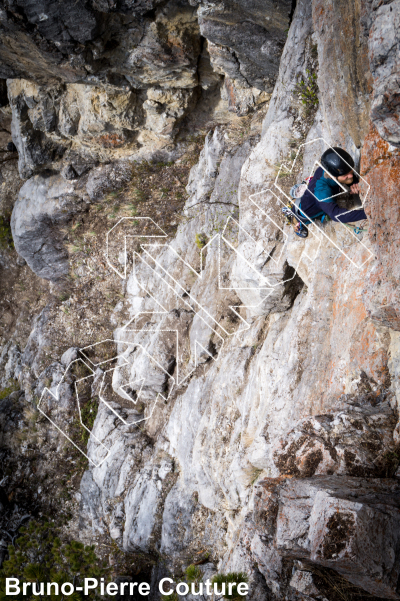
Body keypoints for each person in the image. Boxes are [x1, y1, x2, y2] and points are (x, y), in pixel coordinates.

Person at [297, 147, 367, 228]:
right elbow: (337, 215)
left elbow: (348, 175)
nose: (351, 175)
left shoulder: (329, 167)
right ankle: (298, 223)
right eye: (345, 175)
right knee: (302, 220)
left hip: (310, 197)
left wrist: (354, 183)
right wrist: (366, 213)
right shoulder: (322, 192)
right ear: (332, 176)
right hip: (306, 211)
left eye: (350, 170)